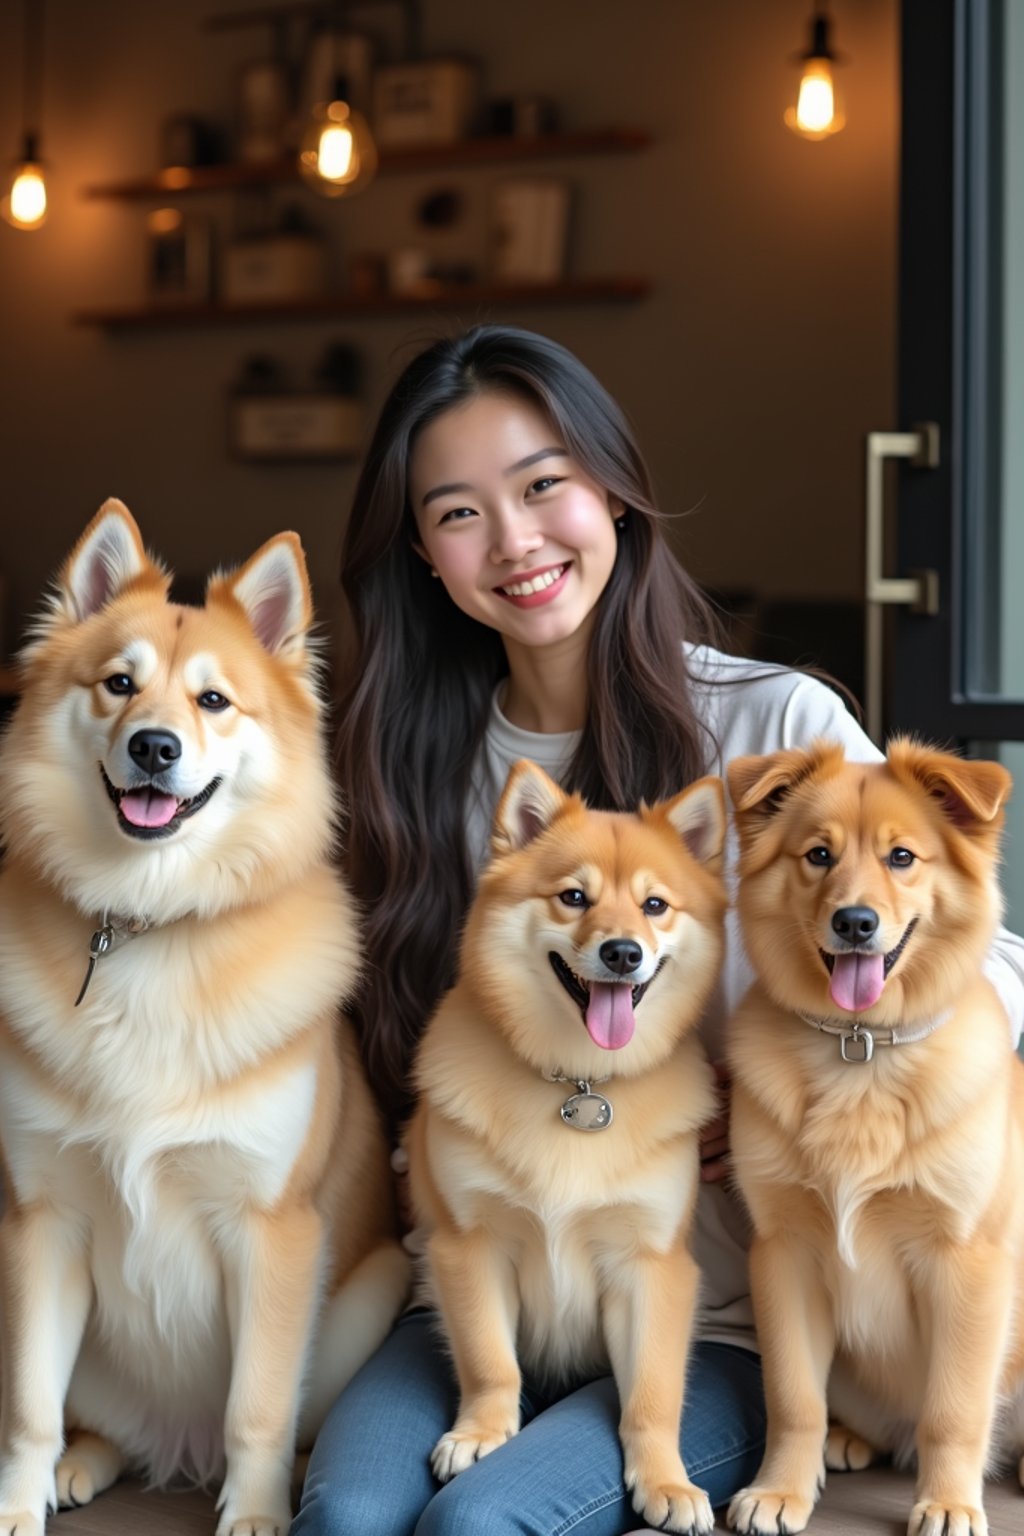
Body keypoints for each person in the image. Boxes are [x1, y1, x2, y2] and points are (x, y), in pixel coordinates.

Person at [292, 325, 1024, 1536]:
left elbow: (986, 963)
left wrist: (781, 1082)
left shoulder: (772, 724)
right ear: (421, 553)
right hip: (493, 1289)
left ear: (614, 492)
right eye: (459, 512)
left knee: (479, 1527)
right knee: (348, 1515)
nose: (516, 541)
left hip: (716, 1309)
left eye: (543, 487)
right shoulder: (409, 767)